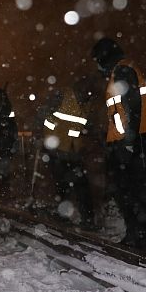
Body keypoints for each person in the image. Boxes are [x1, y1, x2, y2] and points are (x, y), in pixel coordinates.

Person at [91, 37, 146, 252]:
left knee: (132, 192)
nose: (96, 65)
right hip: (131, 141)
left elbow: (132, 104)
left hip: (134, 143)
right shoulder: (121, 70)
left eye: (97, 60)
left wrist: (129, 142)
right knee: (128, 191)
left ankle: (140, 240)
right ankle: (135, 236)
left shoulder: (122, 71)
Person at [39, 79, 95, 228]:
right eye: (85, 93)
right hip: (57, 149)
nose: (87, 96)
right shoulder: (62, 96)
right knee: (64, 185)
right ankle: (65, 216)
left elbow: (84, 125)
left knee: (79, 185)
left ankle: (87, 219)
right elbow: (43, 115)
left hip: (73, 150)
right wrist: (44, 137)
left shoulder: (87, 103)